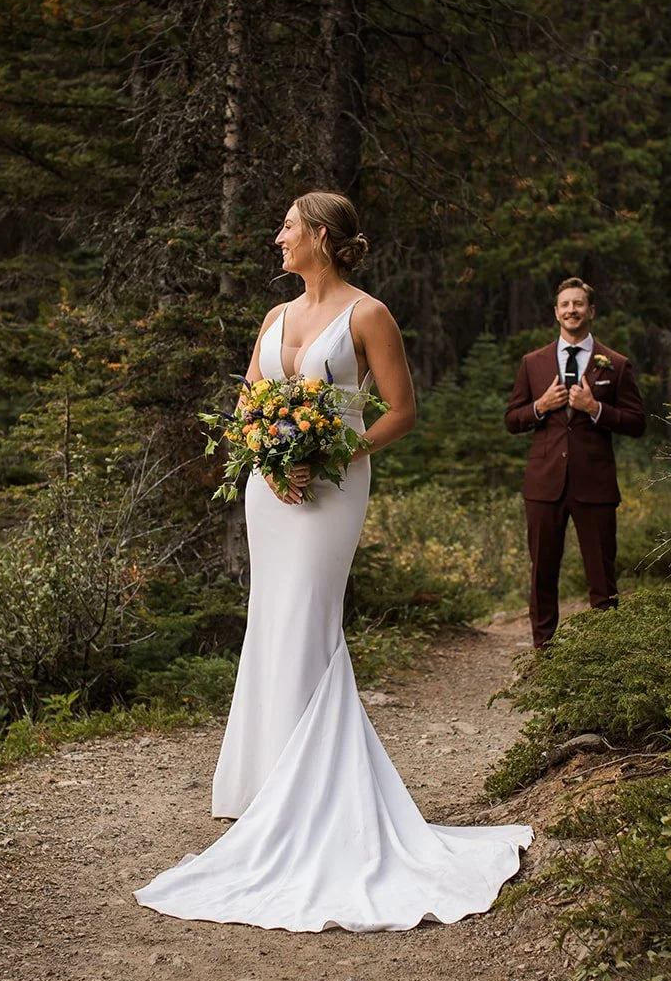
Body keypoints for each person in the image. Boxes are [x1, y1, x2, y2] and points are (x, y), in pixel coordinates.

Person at [134, 191, 532, 932]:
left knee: (310, 622)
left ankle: (317, 803)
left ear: (319, 235)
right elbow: (253, 402)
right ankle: (266, 793)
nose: (277, 236)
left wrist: (328, 452)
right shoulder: (274, 317)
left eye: (287, 226)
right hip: (269, 490)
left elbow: (400, 410)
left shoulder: (367, 315)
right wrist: (269, 454)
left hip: (333, 485)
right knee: (271, 622)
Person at [504, 277, 646, 649]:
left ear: (591, 311)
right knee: (542, 576)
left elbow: (636, 422)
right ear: (556, 312)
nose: (572, 310)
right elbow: (512, 419)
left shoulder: (615, 363)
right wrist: (541, 406)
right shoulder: (532, 363)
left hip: (594, 485)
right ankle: (544, 656)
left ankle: (605, 659)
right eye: (565, 304)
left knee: (602, 578)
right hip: (544, 485)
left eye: (579, 304)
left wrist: (596, 409)